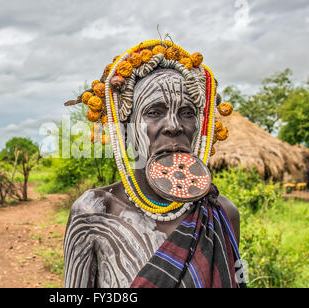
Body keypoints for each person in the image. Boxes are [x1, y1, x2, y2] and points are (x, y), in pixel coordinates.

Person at [63, 40, 246, 288]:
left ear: (200, 129)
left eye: (187, 113)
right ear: (125, 129)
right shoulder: (94, 212)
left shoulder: (222, 214)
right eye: (154, 112)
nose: (174, 125)